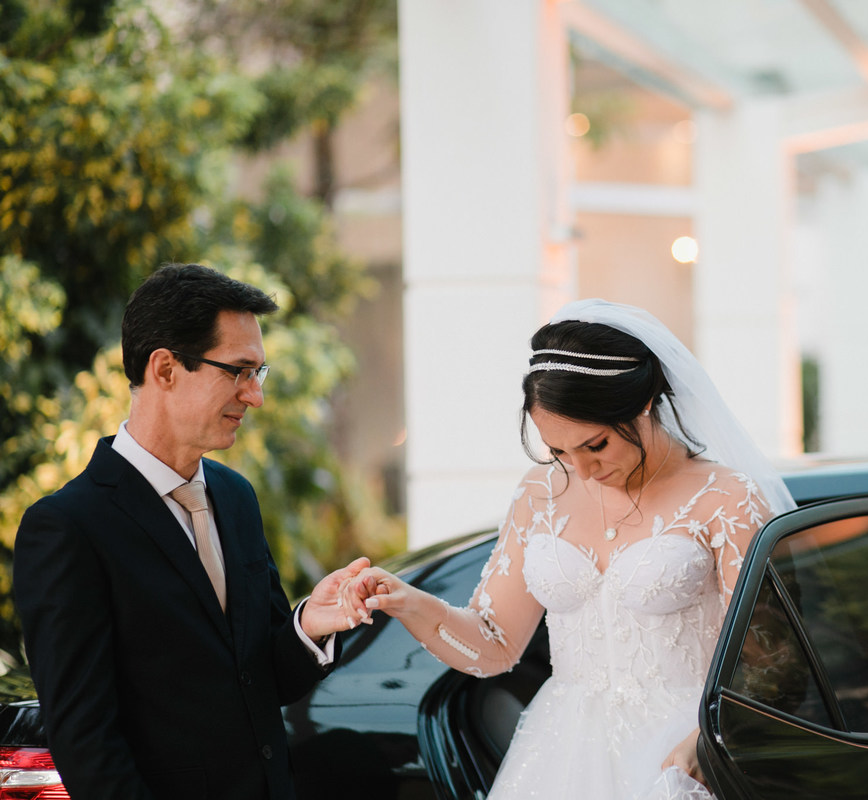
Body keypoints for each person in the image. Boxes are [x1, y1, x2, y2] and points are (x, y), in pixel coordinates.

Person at [341, 299, 794, 799]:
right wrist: (411, 602)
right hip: (561, 755)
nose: (580, 470)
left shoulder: (726, 499)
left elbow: (771, 659)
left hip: (685, 756)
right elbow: (493, 647)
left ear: (643, 404)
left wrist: (708, 737)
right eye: (558, 451)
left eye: (595, 445)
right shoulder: (539, 496)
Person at [13, 263, 371, 800]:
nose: (255, 395)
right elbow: (87, 743)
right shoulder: (65, 528)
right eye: (239, 371)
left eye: (260, 373)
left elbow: (261, 682)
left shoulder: (236, 498)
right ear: (164, 369)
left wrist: (308, 627)